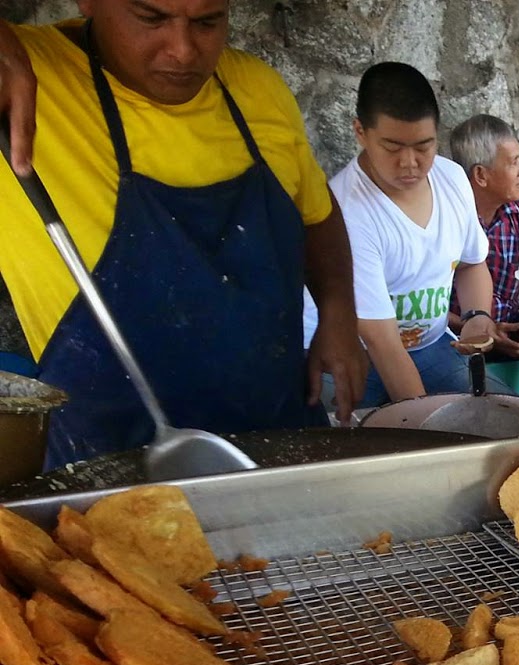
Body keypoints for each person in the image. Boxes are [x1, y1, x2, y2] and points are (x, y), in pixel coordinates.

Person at [0, 0, 366, 468]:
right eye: (151, 19)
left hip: (281, 443)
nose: (183, 50)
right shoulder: (24, 82)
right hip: (107, 472)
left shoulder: (259, 90)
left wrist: (338, 311)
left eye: (207, 22)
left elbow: (316, 212)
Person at [302, 62, 501, 416]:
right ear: (360, 132)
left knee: (503, 415)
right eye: (392, 147)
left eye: (423, 146)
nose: (410, 163)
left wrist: (477, 315)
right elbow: (382, 343)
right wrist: (427, 427)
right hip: (348, 353)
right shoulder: (346, 210)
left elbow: (472, 264)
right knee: (353, 448)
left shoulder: (453, 179)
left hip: (429, 346)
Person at [446, 113, 519, 397]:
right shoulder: (444, 220)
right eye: (512, 162)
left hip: (515, 333)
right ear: (480, 175)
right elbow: (424, 311)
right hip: (459, 334)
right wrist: (480, 328)